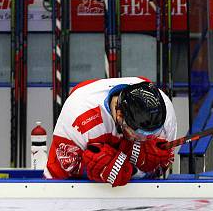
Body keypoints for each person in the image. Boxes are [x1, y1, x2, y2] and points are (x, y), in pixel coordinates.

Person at [45, 79, 177, 186]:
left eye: (150, 135)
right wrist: (91, 170)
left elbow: (159, 175)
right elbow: (56, 177)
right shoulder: (79, 117)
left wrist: (143, 169)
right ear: (119, 115)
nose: (144, 140)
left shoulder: (164, 111)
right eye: (139, 135)